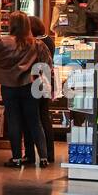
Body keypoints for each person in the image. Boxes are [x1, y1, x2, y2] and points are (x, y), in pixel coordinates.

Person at [0, 11, 52, 168]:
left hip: (9, 87)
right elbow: (48, 65)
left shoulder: (2, 42)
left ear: (12, 25)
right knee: (35, 121)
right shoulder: (37, 44)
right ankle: (44, 157)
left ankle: (17, 158)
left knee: (13, 121)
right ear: (27, 24)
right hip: (31, 86)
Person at [22, 16, 57, 164]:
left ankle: (31, 154)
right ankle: (48, 154)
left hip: (36, 81)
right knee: (44, 118)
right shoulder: (49, 39)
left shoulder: (37, 42)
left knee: (32, 118)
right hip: (47, 81)